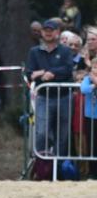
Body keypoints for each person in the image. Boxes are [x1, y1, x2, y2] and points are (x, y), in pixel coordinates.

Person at [24, 18, 75, 157]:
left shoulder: (65, 51)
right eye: (45, 30)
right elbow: (30, 73)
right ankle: (41, 164)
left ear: (57, 32)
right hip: (44, 98)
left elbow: (68, 70)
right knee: (42, 132)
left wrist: (50, 73)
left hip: (64, 97)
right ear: (41, 32)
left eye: (51, 30)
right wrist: (44, 73)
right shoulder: (34, 51)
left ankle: (58, 166)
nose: (48, 33)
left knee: (63, 135)